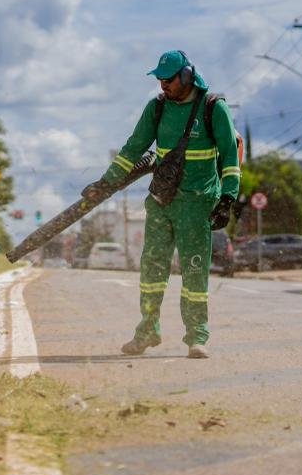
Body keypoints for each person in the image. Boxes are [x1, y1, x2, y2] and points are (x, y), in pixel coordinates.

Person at [84, 50, 240, 358]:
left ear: (186, 76)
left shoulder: (213, 108)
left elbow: (230, 157)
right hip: (161, 202)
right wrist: (105, 182)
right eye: (160, 80)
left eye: (168, 80)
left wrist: (227, 198)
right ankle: (147, 332)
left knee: (194, 271)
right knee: (152, 269)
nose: (163, 86)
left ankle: (197, 336)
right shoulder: (156, 109)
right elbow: (132, 149)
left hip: (197, 204)